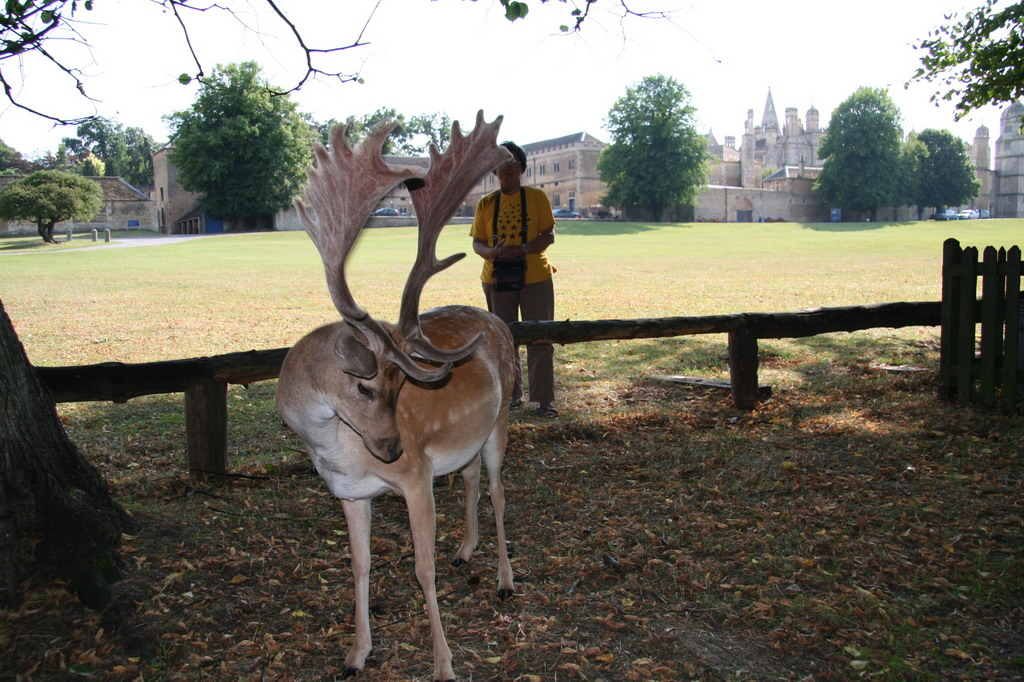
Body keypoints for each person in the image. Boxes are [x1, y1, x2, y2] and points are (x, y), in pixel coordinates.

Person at [470, 141, 558, 417]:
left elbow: (549, 235)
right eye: (501, 165)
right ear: (494, 170)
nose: (507, 169)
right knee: (504, 339)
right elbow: (477, 243)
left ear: (521, 168)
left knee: (540, 338)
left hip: (536, 277)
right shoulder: (486, 203)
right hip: (497, 279)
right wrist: (494, 253)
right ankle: (512, 395)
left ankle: (544, 400)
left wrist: (523, 248)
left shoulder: (536, 197)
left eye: (512, 164)